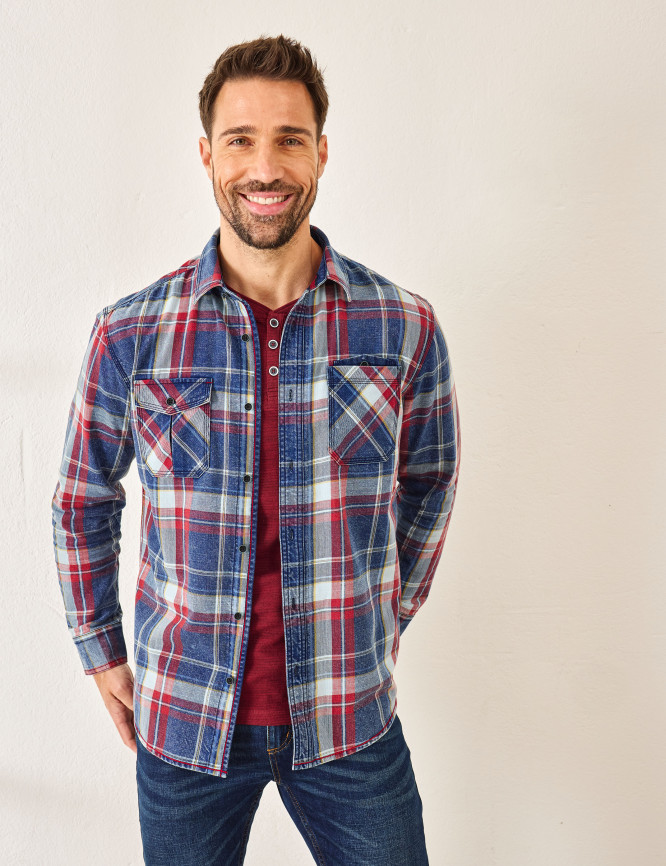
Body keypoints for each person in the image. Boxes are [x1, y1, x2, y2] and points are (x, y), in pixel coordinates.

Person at [52, 34, 460, 865]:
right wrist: (102, 652)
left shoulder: (402, 326)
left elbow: (431, 482)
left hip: (350, 717)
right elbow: (81, 501)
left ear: (321, 153)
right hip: (185, 723)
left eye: (289, 140)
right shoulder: (132, 333)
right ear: (207, 154)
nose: (265, 168)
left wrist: (381, 617)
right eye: (240, 140)